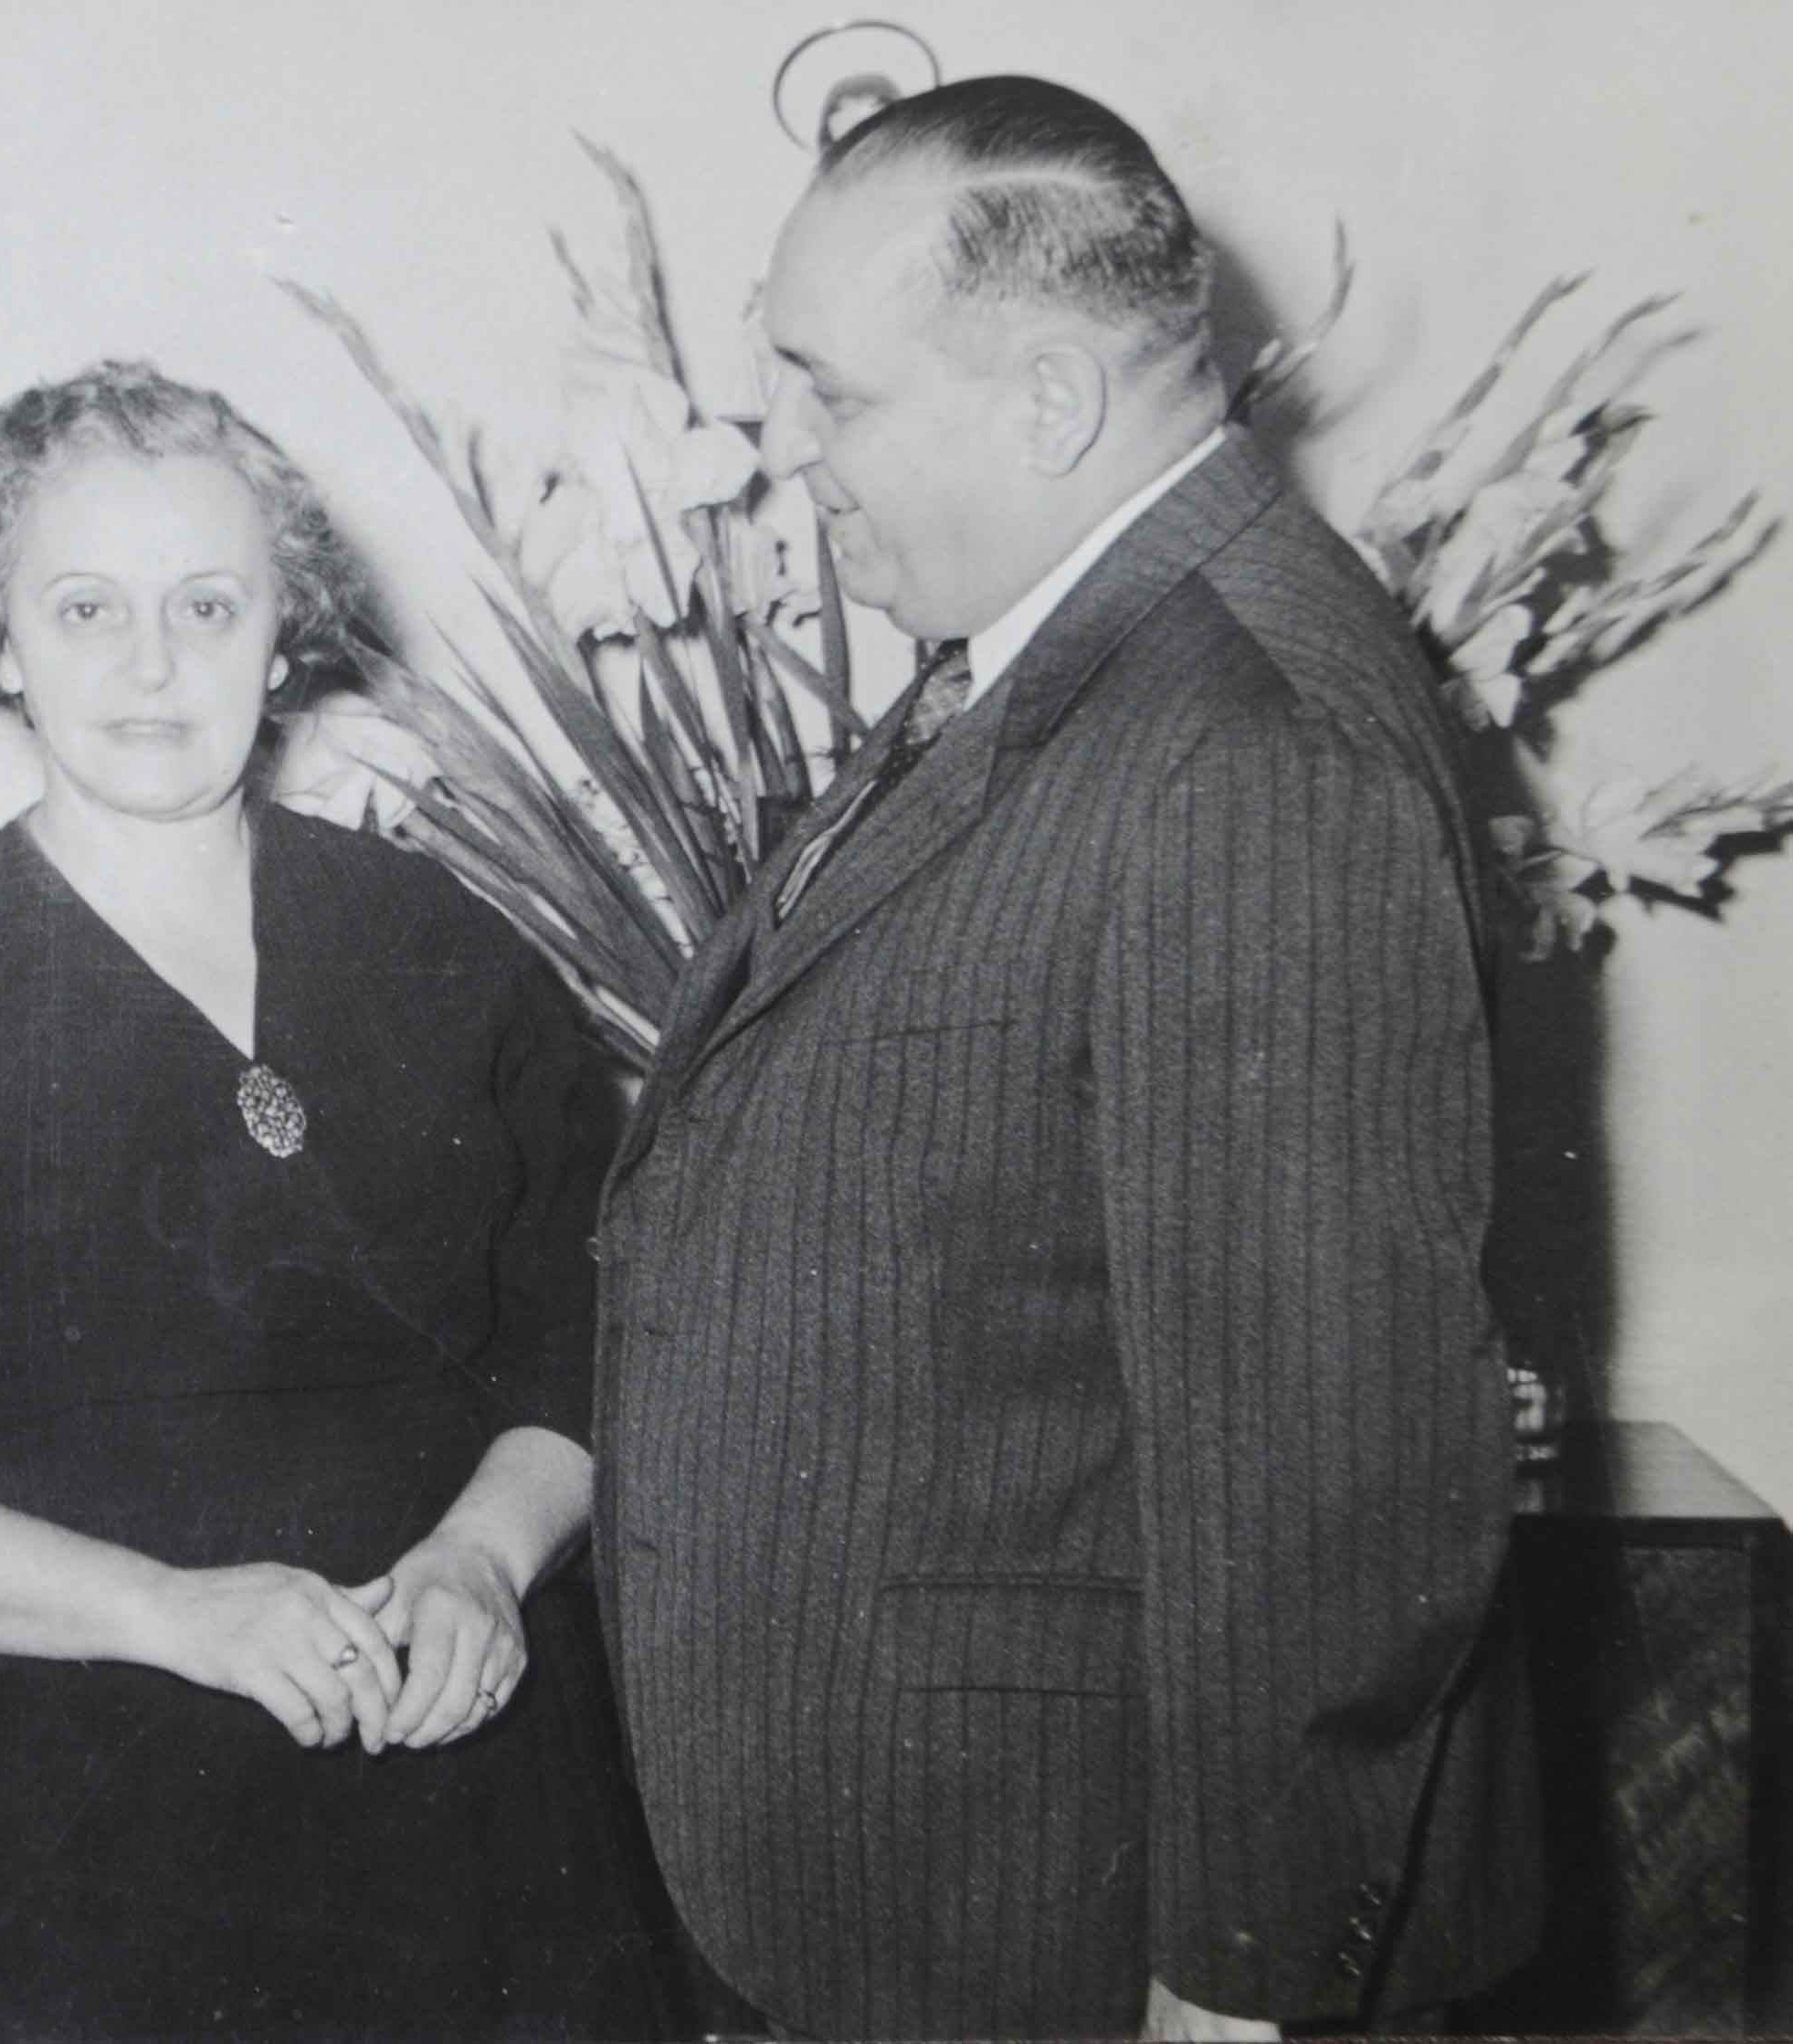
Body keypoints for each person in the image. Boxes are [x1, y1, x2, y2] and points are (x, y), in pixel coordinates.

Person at [592, 78, 1541, 2039]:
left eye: (828, 397)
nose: (788, 456)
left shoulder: (1244, 740)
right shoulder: (1065, 649)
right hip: (912, 1876)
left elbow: (1324, 1452)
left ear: (1042, 404)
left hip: (1062, 1916)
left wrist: (1235, 1974)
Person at [0, 361, 683, 2040]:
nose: (150, 663)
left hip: (458, 1803)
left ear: (280, 635)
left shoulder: (440, 949)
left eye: (207, 605)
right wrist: (168, 1613)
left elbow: (583, 1335)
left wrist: (476, 1558)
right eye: (85, 607)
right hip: (54, 1845)